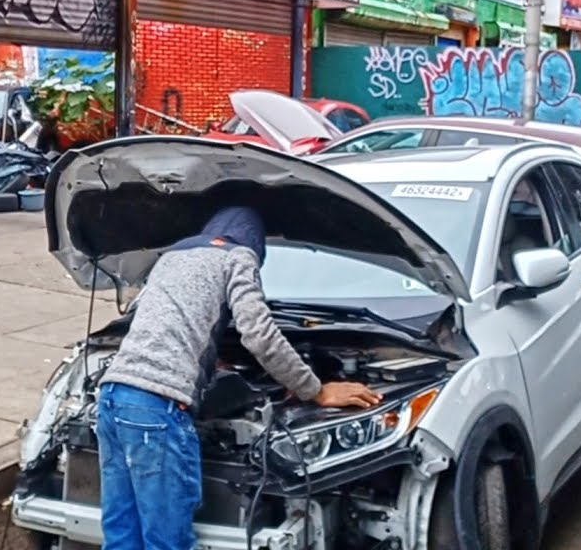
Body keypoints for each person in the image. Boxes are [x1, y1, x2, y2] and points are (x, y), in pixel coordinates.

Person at [95, 206, 382, 550]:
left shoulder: (172, 256)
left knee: (121, 532)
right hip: (158, 409)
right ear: (255, 247)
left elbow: (170, 322)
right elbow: (259, 334)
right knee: (167, 541)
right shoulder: (238, 258)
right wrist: (315, 390)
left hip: (113, 397)